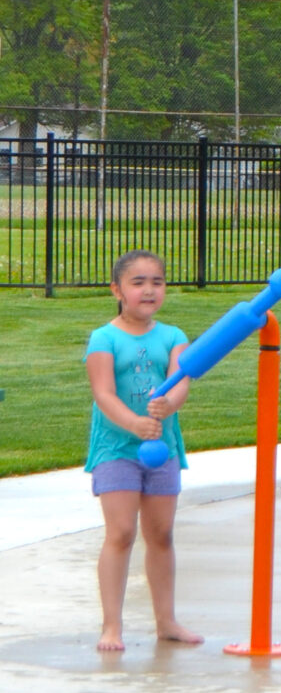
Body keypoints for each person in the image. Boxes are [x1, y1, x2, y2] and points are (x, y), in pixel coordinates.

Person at [84, 251, 200, 653]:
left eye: (157, 281)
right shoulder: (104, 337)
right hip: (116, 447)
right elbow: (103, 393)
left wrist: (171, 404)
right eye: (138, 282)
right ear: (117, 289)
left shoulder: (172, 336)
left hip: (161, 449)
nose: (149, 289)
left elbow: (180, 381)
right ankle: (111, 626)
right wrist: (133, 424)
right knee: (120, 533)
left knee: (162, 535)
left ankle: (166, 621)